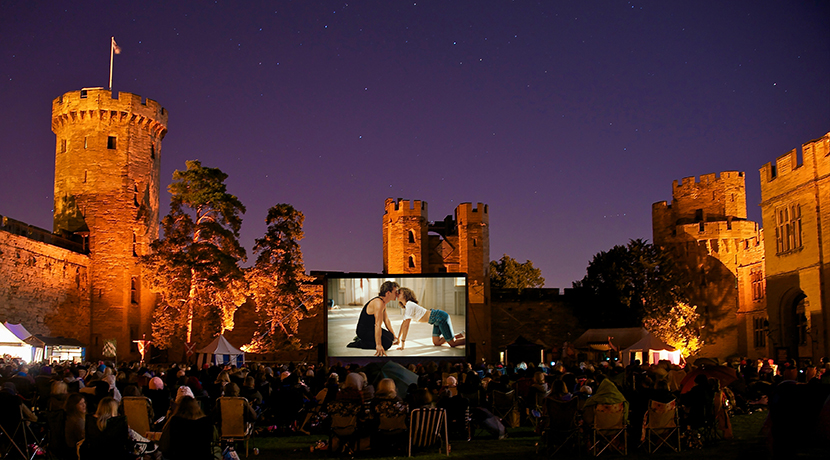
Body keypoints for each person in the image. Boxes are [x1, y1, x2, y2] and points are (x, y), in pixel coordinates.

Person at [395, 287, 465, 349]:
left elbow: (406, 325)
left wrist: (403, 342)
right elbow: (403, 324)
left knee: (453, 343)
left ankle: (468, 339)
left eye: (399, 293)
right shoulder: (408, 306)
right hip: (436, 321)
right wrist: (398, 339)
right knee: (436, 342)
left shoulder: (409, 305)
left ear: (405, 295)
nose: (397, 294)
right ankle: (460, 335)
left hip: (440, 317)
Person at [354, 281, 399, 356]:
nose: (397, 294)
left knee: (390, 337)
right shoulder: (378, 303)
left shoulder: (383, 303)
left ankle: (366, 339)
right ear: (388, 293)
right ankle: (360, 342)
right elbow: (378, 324)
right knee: (387, 344)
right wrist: (378, 345)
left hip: (371, 328)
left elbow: (386, 320)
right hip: (363, 331)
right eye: (395, 292)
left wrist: (394, 335)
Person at [64, 393, 87, 459]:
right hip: (75, 451)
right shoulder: (77, 421)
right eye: (80, 404)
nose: (84, 405)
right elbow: (83, 437)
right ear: (74, 406)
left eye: (84, 402)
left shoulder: (72, 417)